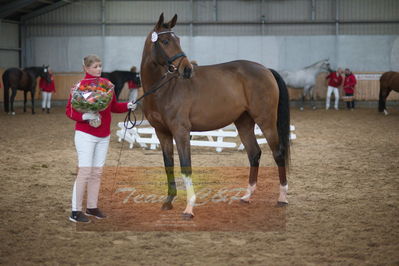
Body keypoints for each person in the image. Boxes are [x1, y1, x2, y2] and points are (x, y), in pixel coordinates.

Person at [66, 54, 136, 223]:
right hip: (85, 134)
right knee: (85, 171)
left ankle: (91, 206)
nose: (99, 69)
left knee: (97, 173)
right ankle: (75, 211)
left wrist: (127, 106)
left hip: (104, 135)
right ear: (86, 68)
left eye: (100, 65)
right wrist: (85, 116)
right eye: (96, 66)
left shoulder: (107, 85)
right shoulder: (79, 87)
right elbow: (70, 111)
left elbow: (113, 107)